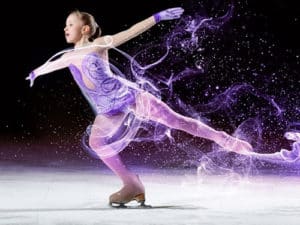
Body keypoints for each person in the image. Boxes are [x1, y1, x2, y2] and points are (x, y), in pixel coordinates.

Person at [26, 7, 253, 207]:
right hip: (108, 109)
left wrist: (156, 17)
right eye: (65, 25)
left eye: (70, 24)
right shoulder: (68, 56)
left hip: (129, 96)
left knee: (175, 121)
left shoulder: (99, 44)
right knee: (96, 141)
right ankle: (131, 184)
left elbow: (131, 31)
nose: (66, 28)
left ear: (85, 29)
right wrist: (35, 73)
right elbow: (53, 64)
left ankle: (224, 138)